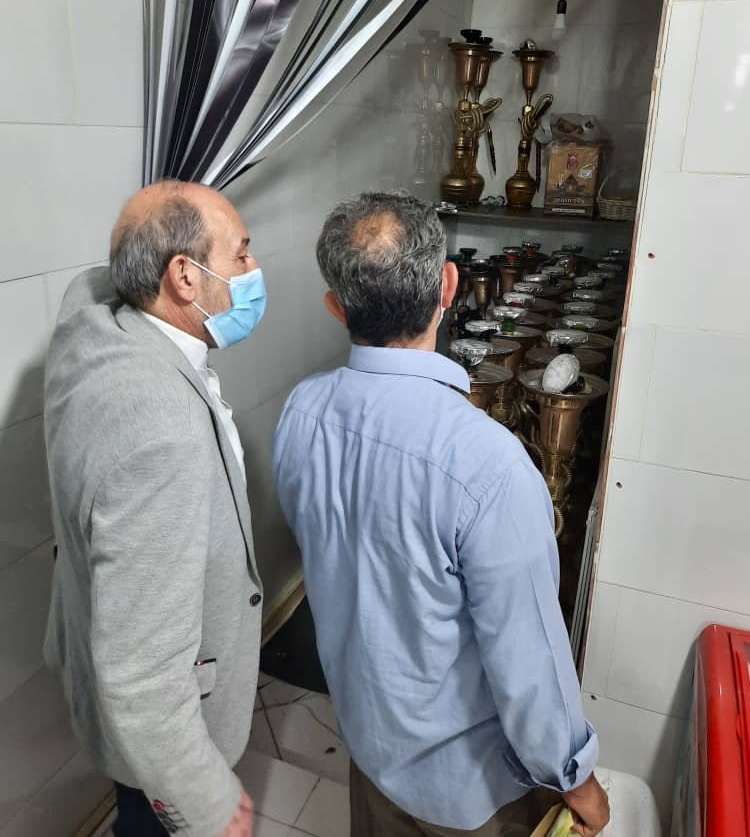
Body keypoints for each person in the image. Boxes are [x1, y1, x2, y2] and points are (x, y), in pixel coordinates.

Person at [273, 193, 611, 837]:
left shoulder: (303, 412)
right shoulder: (490, 464)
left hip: (371, 746)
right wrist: (577, 778)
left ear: (336, 306)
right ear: (448, 287)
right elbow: (529, 662)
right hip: (471, 792)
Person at [44, 181, 267, 837]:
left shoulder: (91, 318)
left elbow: (93, 279)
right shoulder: (161, 430)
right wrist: (206, 800)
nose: (253, 270)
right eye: (240, 255)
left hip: (94, 655)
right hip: (165, 731)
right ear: (184, 277)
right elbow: (143, 677)